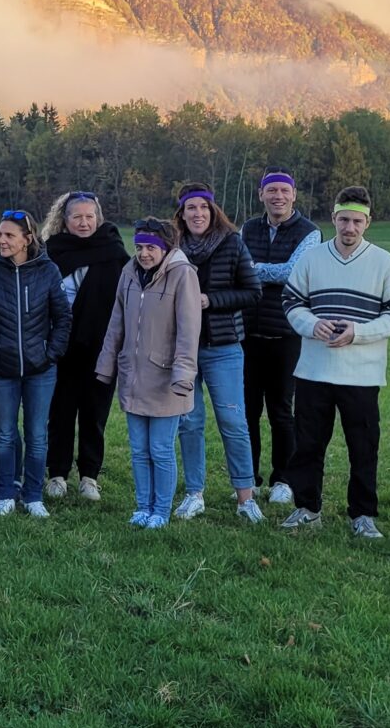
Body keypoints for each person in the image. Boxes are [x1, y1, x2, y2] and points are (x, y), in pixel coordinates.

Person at [279, 186, 390, 539]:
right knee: (308, 444)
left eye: (356, 221)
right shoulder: (312, 259)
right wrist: (312, 324)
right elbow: (292, 302)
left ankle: (363, 514)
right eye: (343, 220)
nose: (349, 228)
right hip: (314, 370)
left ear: (368, 222)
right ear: (333, 219)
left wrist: (359, 332)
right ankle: (307, 509)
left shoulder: (383, 262)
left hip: (362, 374)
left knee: (363, 447)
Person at [0, 209, 71, 517]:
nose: (1, 240)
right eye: (0, 234)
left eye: (9, 235)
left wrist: (51, 353)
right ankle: (5, 494)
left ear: (27, 239)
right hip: (1, 369)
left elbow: (63, 317)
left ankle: (33, 495)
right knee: (4, 434)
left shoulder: (48, 270)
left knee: (37, 435)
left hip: (41, 370)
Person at [97, 217, 202, 530]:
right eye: (139, 247)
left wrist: (183, 374)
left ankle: (161, 510)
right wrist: (106, 365)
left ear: (165, 247)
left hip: (167, 379)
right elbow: (116, 323)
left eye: (151, 247)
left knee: (160, 449)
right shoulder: (128, 273)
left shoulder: (183, 274)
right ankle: (143, 507)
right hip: (133, 377)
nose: (144, 253)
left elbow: (189, 330)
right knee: (139, 450)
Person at [174, 183, 265, 524]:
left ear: (213, 211)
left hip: (223, 348)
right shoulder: (174, 247)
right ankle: (193, 494)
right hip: (183, 348)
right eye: (191, 208)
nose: (198, 213)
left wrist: (210, 300)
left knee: (233, 422)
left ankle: (245, 498)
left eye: (203, 207)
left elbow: (252, 292)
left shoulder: (232, 243)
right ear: (182, 214)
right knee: (189, 422)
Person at [42, 191, 130, 501]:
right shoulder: (52, 252)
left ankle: (89, 476)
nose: (84, 222)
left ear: (98, 218)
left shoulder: (114, 251)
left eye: (89, 216)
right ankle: (57, 474)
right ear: (64, 220)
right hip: (61, 347)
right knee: (61, 412)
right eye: (76, 217)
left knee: (95, 414)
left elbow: (125, 300)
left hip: (101, 347)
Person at [240, 170, 320, 508]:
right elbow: (239, 268)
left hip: (286, 334)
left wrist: (255, 269)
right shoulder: (248, 229)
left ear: (294, 195)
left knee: (281, 411)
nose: (278, 196)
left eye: (284, 190)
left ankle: (283, 480)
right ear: (261, 194)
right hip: (247, 332)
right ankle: (248, 479)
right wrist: (261, 270)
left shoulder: (310, 232)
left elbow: (293, 273)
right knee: (247, 411)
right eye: (271, 190)